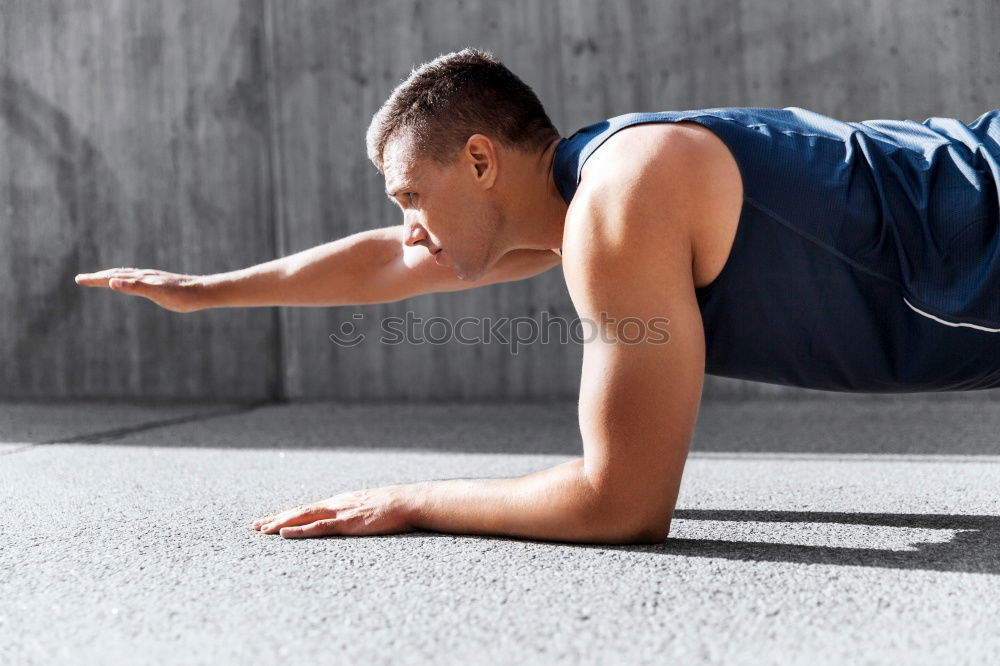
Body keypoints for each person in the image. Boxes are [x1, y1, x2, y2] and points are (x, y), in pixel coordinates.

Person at [75, 48, 1000, 544]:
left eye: (410, 196)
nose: (407, 226)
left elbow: (620, 505)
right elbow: (391, 262)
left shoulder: (619, 206)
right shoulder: (578, 195)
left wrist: (410, 498)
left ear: (480, 159)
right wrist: (206, 292)